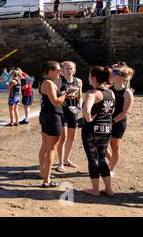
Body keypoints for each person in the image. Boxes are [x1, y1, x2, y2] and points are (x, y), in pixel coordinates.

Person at [38, 61, 77, 188]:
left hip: (46, 116)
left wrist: (65, 94)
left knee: (45, 146)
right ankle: (47, 180)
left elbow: (50, 100)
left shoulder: (47, 82)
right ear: (50, 71)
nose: (60, 72)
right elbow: (55, 102)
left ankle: (42, 173)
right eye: (58, 70)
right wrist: (66, 93)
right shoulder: (49, 83)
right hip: (53, 117)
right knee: (51, 149)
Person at [81, 66, 115, 197]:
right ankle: (109, 189)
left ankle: (95, 189)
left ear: (94, 78)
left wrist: (88, 118)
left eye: (89, 76)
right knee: (101, 158)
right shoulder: (110, 93)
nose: (88, 78)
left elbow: (86, 111)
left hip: (92, 131)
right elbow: (111, 111)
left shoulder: (92, 93)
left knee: (93, 159)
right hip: (107, 129)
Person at [106, 65, 134, 177]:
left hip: (118, 122)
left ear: (122, 77)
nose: (113, 75)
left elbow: (126, 112)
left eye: (115, 73)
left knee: (115, 147)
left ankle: (111, 168)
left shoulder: (127, 92)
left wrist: (113, 121)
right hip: (106, 121)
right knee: (101, 146)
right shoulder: (108, 89)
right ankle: (111, 161)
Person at [56, 61, 83, 173]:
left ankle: (67, 159)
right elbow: (53, 95)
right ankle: (60, 163)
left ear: (74, 70)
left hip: (73, 112)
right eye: (67, 68)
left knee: (71, 138)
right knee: (63, 137)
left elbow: (80, 97)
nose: (69, 70)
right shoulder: (58, 81)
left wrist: (80, 105)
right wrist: (62, 99)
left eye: (71, 68)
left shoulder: (79, 81)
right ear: (62, 70)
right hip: (62, 112)